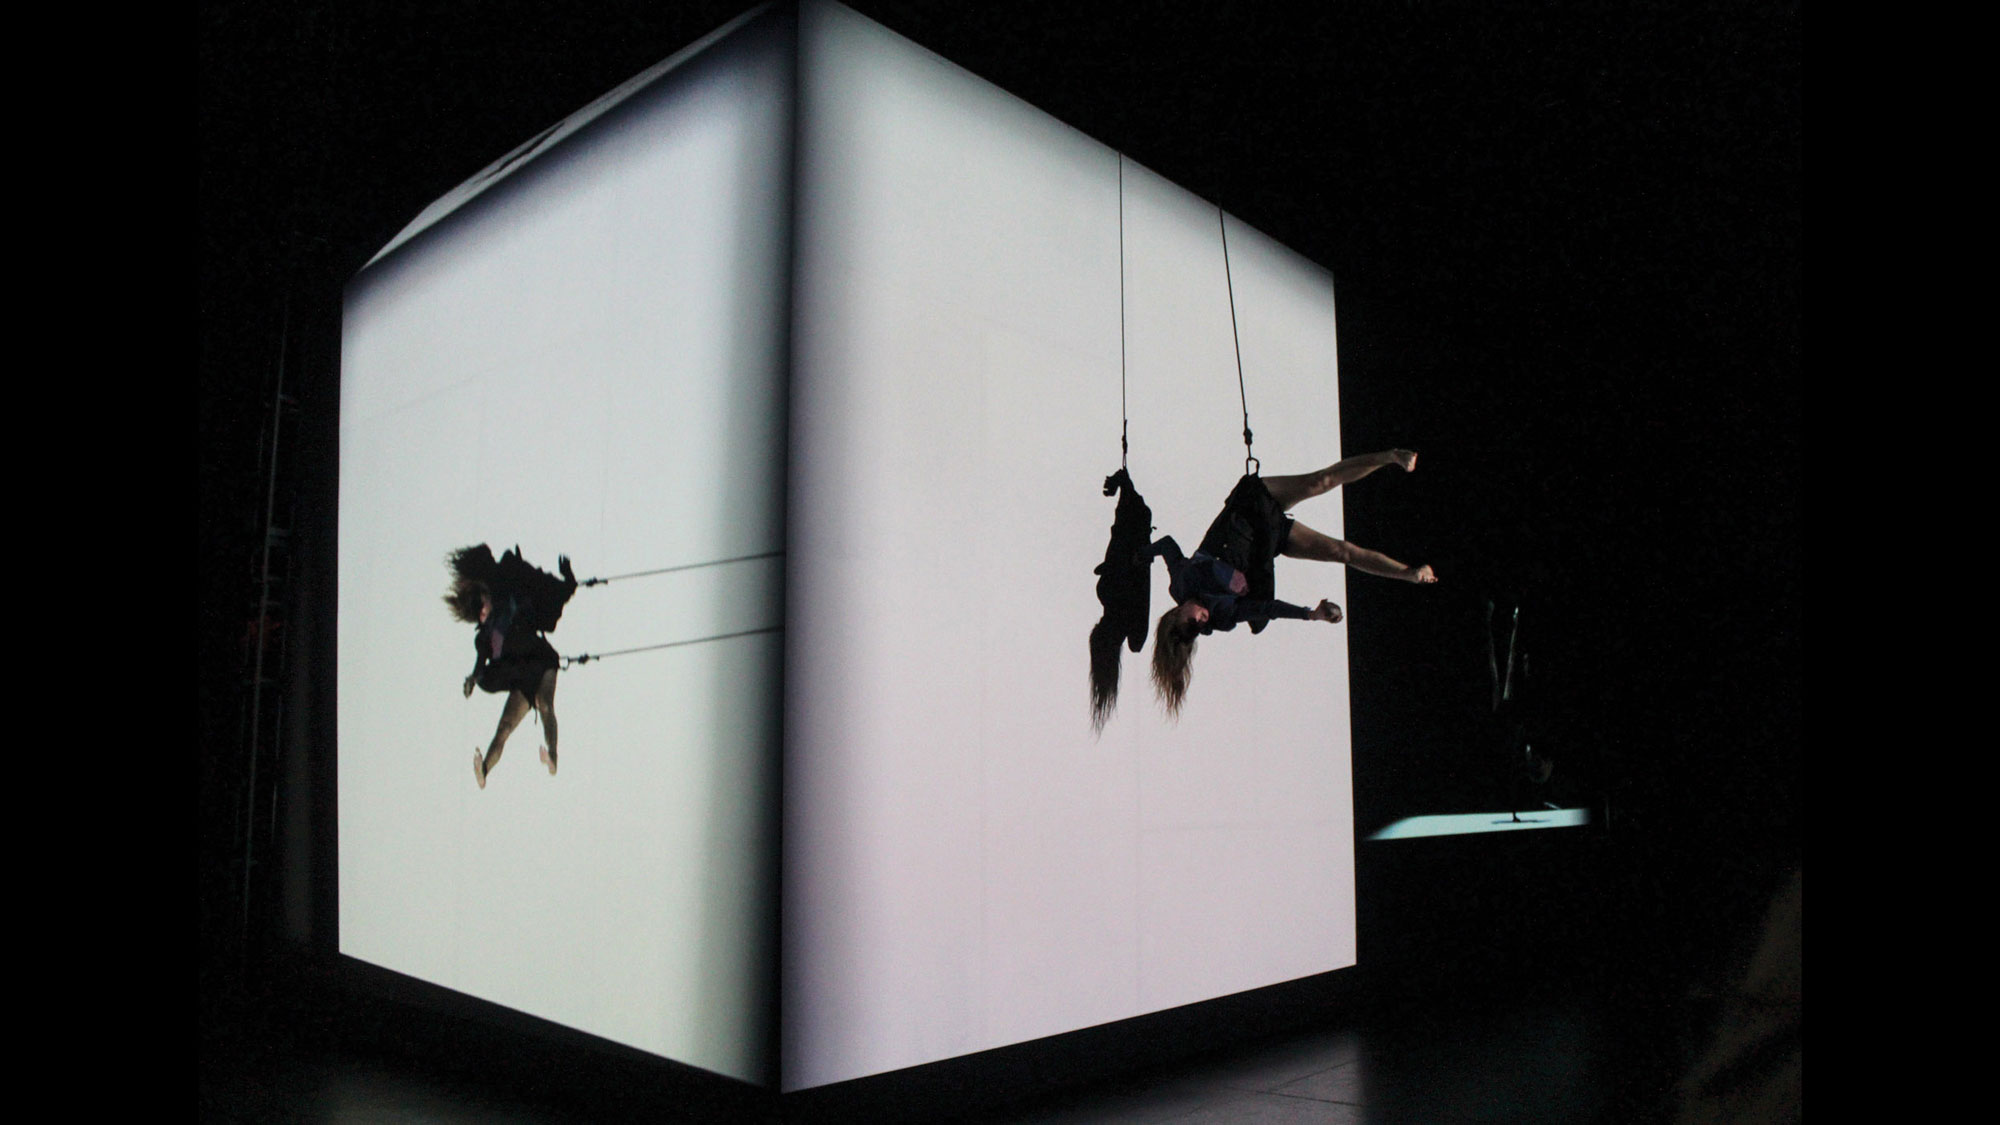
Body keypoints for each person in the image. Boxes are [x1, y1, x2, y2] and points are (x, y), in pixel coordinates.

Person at [1149, 449, 1436, 716]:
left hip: (1250, 506)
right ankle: (1409, 573)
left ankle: (1391, 456)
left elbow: (1166, 544)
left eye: (1194, 620)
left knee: (1321, 481)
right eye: (1201, 626)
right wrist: (1310, 614)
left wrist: (1141, 555)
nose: (1203, 618)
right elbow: (1267, 608)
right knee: (1341, 552)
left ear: (1177, 612)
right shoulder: (1221, 616)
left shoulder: (1181, 582)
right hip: (1267, 540)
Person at [444, 545, 578, 788]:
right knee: (504, 727)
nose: (485, 611)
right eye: (480, 611)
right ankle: (484, 769)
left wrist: (568, 577)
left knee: (545, 705)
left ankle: (553, 757)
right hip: (523, 676)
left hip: (543, 659)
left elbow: (551, 591)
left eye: (483, 604)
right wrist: (473, 679)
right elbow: (479, 663)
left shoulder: (509, 602)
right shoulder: (484, 637)